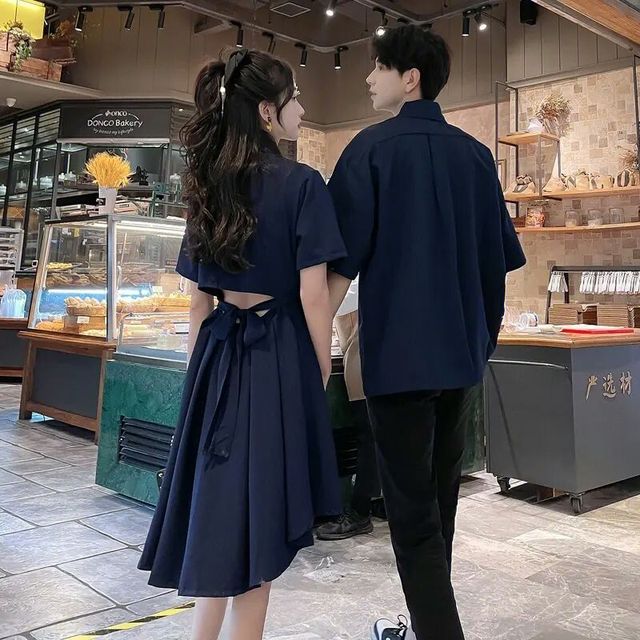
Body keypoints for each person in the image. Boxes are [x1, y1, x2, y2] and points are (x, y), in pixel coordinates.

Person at [138, 49, 346, 640]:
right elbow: (312, 295)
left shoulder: (209, 184)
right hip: (274, 355)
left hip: (216, 355)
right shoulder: (302, 183)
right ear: (266, 112)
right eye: (293, 98)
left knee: (216, 515)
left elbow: (197, 304)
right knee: (260, 528)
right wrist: (318, 369)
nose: (301, 108)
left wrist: (197, 381)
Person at [327, 26, 526, 640]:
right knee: (439, 506)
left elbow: (336, 266)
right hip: (460, 359)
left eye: (378, 67)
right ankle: (425, 625)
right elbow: (498, 264)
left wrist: (308, 342)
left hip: (399, 361)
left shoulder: (369, 151)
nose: (368, 78)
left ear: (409, 77)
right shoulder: (476, 157)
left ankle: (438, 632)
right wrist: (480, 343)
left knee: (412, 518)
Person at [316, 276, 382, 540]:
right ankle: (379, 501)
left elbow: (333, 301)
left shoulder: (349, 276)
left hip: (363, 351)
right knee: (380, 432)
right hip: (374, 349)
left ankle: (359, 511)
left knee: (369, 432)